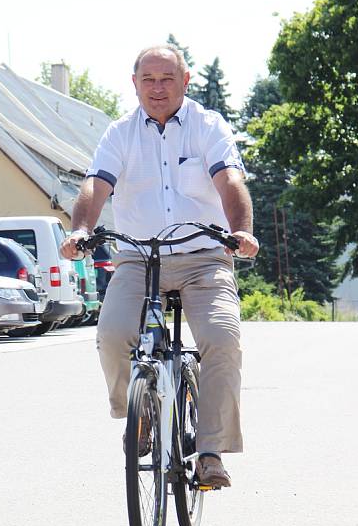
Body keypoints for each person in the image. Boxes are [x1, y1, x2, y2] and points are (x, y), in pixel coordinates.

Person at [61, 45, 259, 488]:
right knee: (112, 334)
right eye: (147, 79)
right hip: (138, 257)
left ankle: (210, 452)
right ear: (134, 84)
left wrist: (240, 230)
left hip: (204, 257)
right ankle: (141, 414)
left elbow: (230, 181)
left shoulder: (208, 127)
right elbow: (96, 185)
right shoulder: (120, 134)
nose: (157, 87)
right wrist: (79, 230)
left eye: (167, 78)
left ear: (185, 81)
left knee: (222, 339)